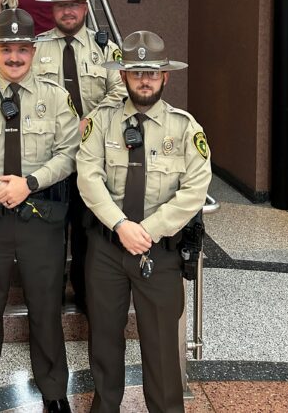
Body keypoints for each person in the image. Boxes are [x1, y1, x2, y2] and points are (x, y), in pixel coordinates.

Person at [0, 9, 80, 413]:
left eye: (22, 48)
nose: (15, 56)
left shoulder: (55, 98)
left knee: (46, 307)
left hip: (42, 218)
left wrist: (29, 183)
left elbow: (69, 152)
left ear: (33, 51)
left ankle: (54, 391)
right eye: (6, 49)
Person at [76, 31, 212, 413]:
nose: (145, 80)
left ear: (165, 77)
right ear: (123, 76)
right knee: (104, 341)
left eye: (152, 72)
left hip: (160, 253)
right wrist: (121, 225)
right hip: (107, 249)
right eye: (136, 72)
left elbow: (194, 191)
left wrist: (147, 231)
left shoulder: (185, 128)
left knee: (162, 347)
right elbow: (88, 178)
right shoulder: (101, 122)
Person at [34, 0, 127, 310]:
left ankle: (87, 295)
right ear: (52, 9)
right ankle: (51, 296)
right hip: (51, 156)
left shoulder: (107, 49)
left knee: (90, 229)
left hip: (95, 156)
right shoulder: (36, 48)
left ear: (85, 6)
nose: (68, 11)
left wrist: (90, 120)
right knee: (50, 231)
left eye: (74, 3)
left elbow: (120, 92)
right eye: (61, 5)